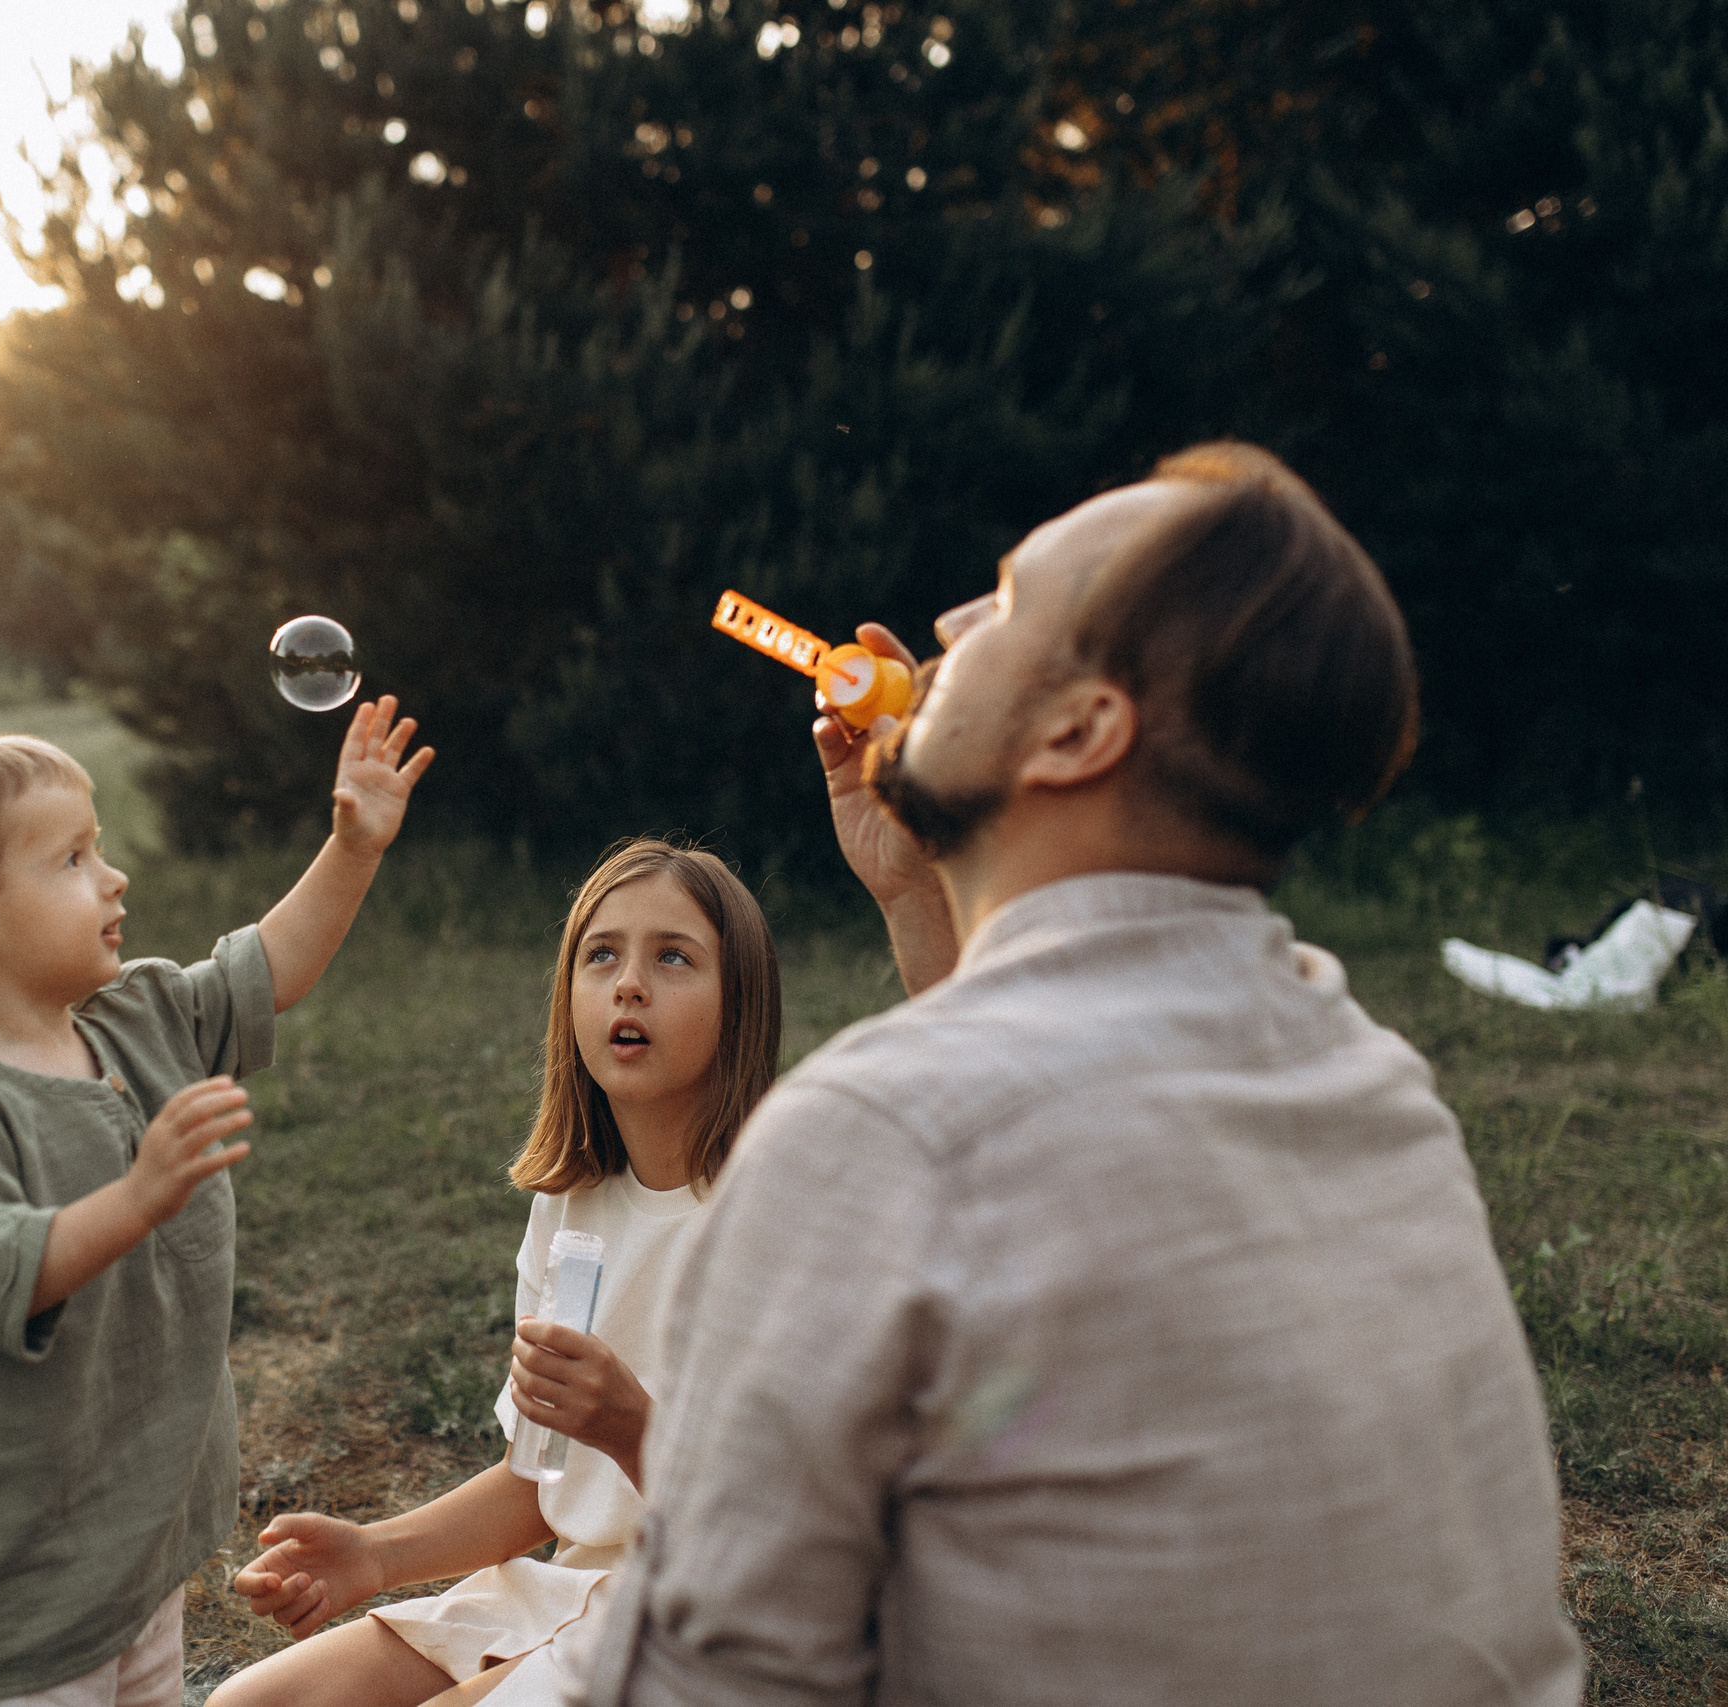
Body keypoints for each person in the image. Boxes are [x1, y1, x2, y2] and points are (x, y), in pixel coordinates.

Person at [575, 442, 1584, 1705]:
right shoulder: (1371, 1079)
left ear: (1078, 729)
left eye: (1000, 601)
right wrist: (925, 881)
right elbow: (1043, 1101)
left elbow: (701, 1686)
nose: (940, 629)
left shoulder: (866, 1137)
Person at [0, 699, 433, 1707]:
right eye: (71, 860)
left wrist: (352, 847)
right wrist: (137, 1197)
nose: (113, 877)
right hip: (14, 1583)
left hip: (130, 1541)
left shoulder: (138, 1013)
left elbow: (269, 973)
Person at [208, 839, 785, 1707]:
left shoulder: (777, 1213)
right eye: (602, 955)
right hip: (573, 1589)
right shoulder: (572, 1203)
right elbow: (537, 1480)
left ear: (741, 1004)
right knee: (247, 1705)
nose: (629, 983)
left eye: (674, 956)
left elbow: (779, 1535)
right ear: (570, 1001)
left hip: (712, 1612)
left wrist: (631, 1426)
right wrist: (374, 1555)